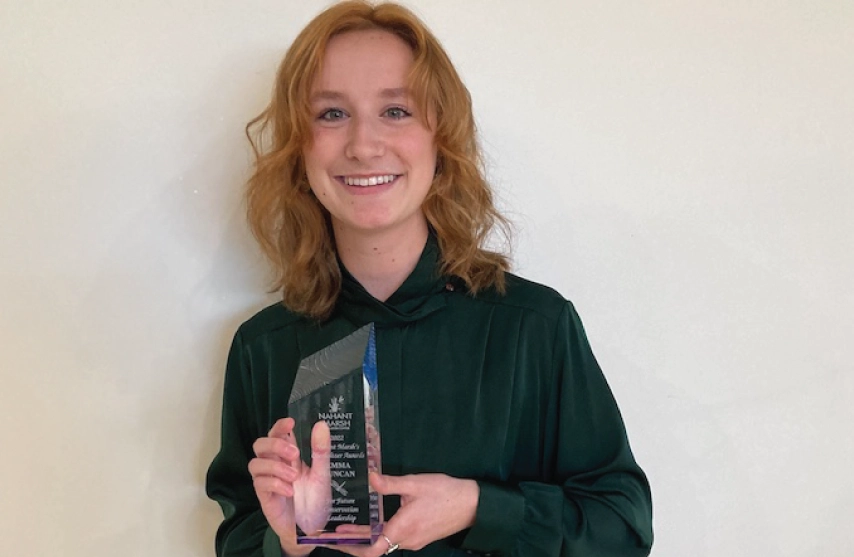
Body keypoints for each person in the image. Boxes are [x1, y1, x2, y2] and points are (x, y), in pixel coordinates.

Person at [205, 2, 654, 556]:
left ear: (441, 138)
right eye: (330, 114)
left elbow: (622, 530)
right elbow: (235, 537)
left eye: (395, 111)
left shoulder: (533, 328)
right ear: (299, 148)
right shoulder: (264, 348)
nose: (363, 145)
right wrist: (284, 543)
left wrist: (478, 508)